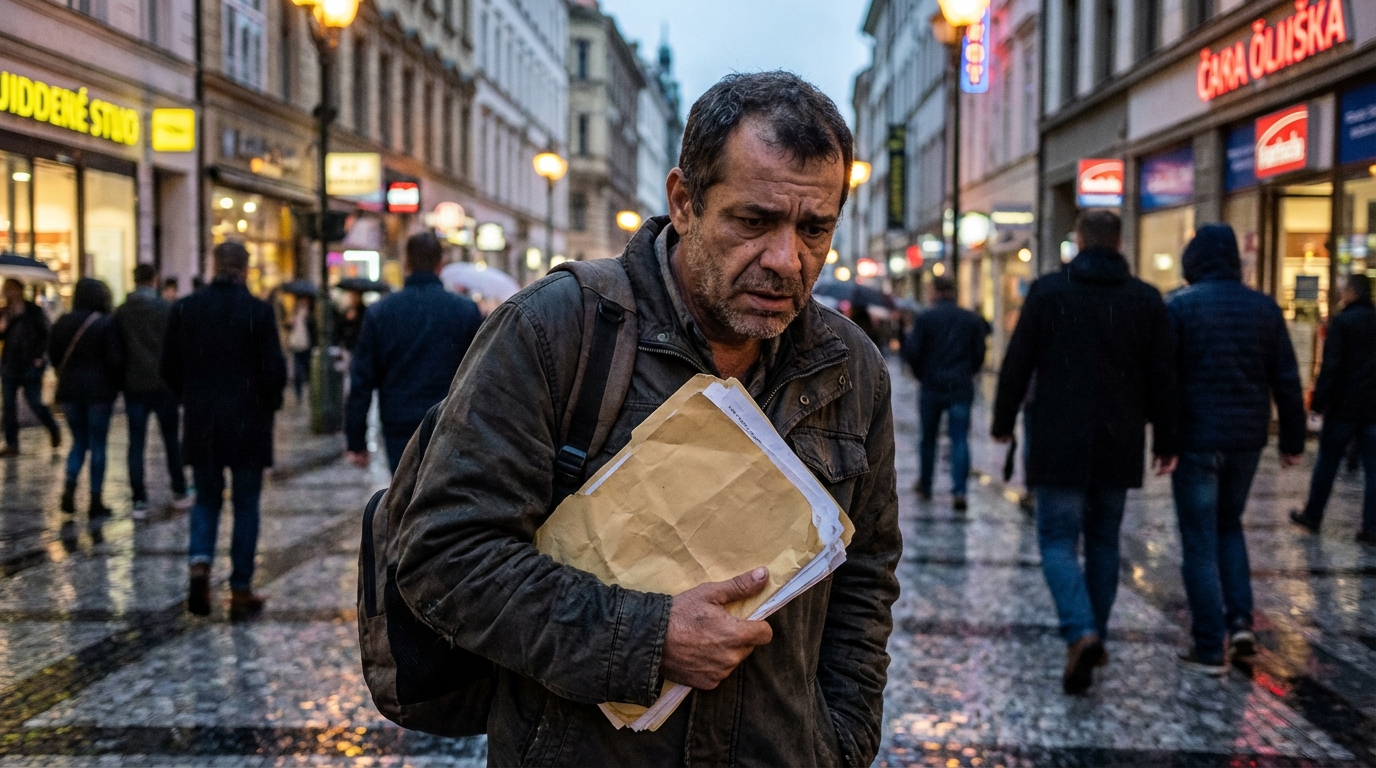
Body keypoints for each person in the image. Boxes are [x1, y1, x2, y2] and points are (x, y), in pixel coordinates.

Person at [395, 72, 899, 766]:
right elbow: (444, 556)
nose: (787, 260)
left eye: (815, 229)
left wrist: (842, 741)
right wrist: (646, 639)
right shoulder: (556, 330)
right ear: (685, 202)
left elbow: (865, 574)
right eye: (753, 221)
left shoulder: (850, 367)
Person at [992, 209, 1177, 695]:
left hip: (1058, 439)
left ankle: (1081, 631)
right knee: (1103, 542)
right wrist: (1167, 439)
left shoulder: (1049, 292)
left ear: (1077, 241)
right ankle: (1096, 633)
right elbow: (1164, 375)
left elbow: (1017, 362)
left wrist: (1002, 423)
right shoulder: (1145, 298)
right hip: (1120, 441)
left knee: (1057, 539)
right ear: (1120, 243)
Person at [1167, 224, 1306, 674]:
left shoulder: (1180, 306)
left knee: (1198, 540)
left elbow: (1165, 380)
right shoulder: (1264, 308)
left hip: (1196, 439)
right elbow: (1287, 380)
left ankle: (1210, 646)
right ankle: (1241, 622)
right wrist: (1292, 440)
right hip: (1246, 438)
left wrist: (1164, 437)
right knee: (1229, 526)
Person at [162, 241, 287, 619]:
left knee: (206, 498)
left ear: (213, 265)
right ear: (244, 269)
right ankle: (241, 587)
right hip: (248, 422)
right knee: (246, 504)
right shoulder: (258, 311)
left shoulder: (185, 308)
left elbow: (168, 367)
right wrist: (268, 403)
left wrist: (191, 396)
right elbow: (274, 371)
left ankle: (200, 564)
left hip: (202, 421)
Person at [344, 232, 481, 472]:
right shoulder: (465, 311)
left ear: (406, 263)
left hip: (400, 423)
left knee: (404, 489)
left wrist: (356, 440)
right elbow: (480, 375)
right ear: (440, 264)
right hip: (449, 420)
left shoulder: (381, 312)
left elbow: (362, 379)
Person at [1291, 273, 1376, 544]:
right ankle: (1371, 526)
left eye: (1343, 290)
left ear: (1352, 292)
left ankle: (1313, 514)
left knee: (1327, 462)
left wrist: (1318, 404)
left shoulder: (1343, 322)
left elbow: (1331, 367)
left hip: (1343, 407)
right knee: (1374, 468)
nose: (1340, 294)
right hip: (1373, 409)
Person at [902, 275, 987, 510]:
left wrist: (922, 374)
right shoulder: (970, 319)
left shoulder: (926, 318)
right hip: (960, 386)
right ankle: (960, 490)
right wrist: (967, 372)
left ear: (935, 291)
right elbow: (979, 353)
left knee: (928, 438)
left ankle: (926, 483)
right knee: (959, 438)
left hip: (932, 385)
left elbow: (913, 352)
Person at [115, 263, 190, 518]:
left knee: (136, 442)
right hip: (163, 385)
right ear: (154, 279)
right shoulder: (165, 309)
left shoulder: (122, 311)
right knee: (171, 440)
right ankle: (179, 489)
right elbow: (178, 347)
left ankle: (139, 499)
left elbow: (116, 350)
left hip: (134, 385)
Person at [49, 278, 123, 526]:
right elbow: (114, 359)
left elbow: (53, 356)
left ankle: (69, 489)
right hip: (99, 393)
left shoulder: (63, 322)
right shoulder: (105, 322)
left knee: (79, 442)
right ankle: (95, 500)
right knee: (98, 444)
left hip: (69, 392)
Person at [0, 278, 61, 456]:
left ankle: (52, 426)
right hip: (9, 363)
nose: (7, 292)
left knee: (35, 401)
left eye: (10, 288)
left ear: (19, 290)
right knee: (8, 405)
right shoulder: (4, 312)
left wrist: (39, 357)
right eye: (5, 289)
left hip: (30, 363)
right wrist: (5, 322)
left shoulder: (33, 311)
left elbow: (46, 334)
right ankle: (12, 444)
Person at [286, 295, 316, 404]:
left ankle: (312, 394)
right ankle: (299, 395)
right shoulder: (294, 313)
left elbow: (314, 329)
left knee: (309, 372)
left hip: (307, 346)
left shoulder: (312, 313)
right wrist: (290, 323)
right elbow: (288, 327)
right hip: (296, 346)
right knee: (297, 372)